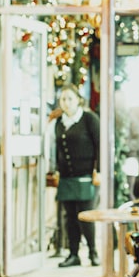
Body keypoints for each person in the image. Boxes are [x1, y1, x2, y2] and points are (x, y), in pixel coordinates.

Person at [49, 85, 100, 267]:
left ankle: (93, 252)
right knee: (69, 217)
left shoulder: (89, 119)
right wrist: (55, 169)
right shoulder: (58, 122)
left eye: (70, 99)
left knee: (86, 216)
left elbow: (100, 145)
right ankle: (73, 254)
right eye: (63, 99)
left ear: (78, 99)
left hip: (86, 175)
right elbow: (57, 149)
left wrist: (99, 170)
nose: (66, 103)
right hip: (66, 177)